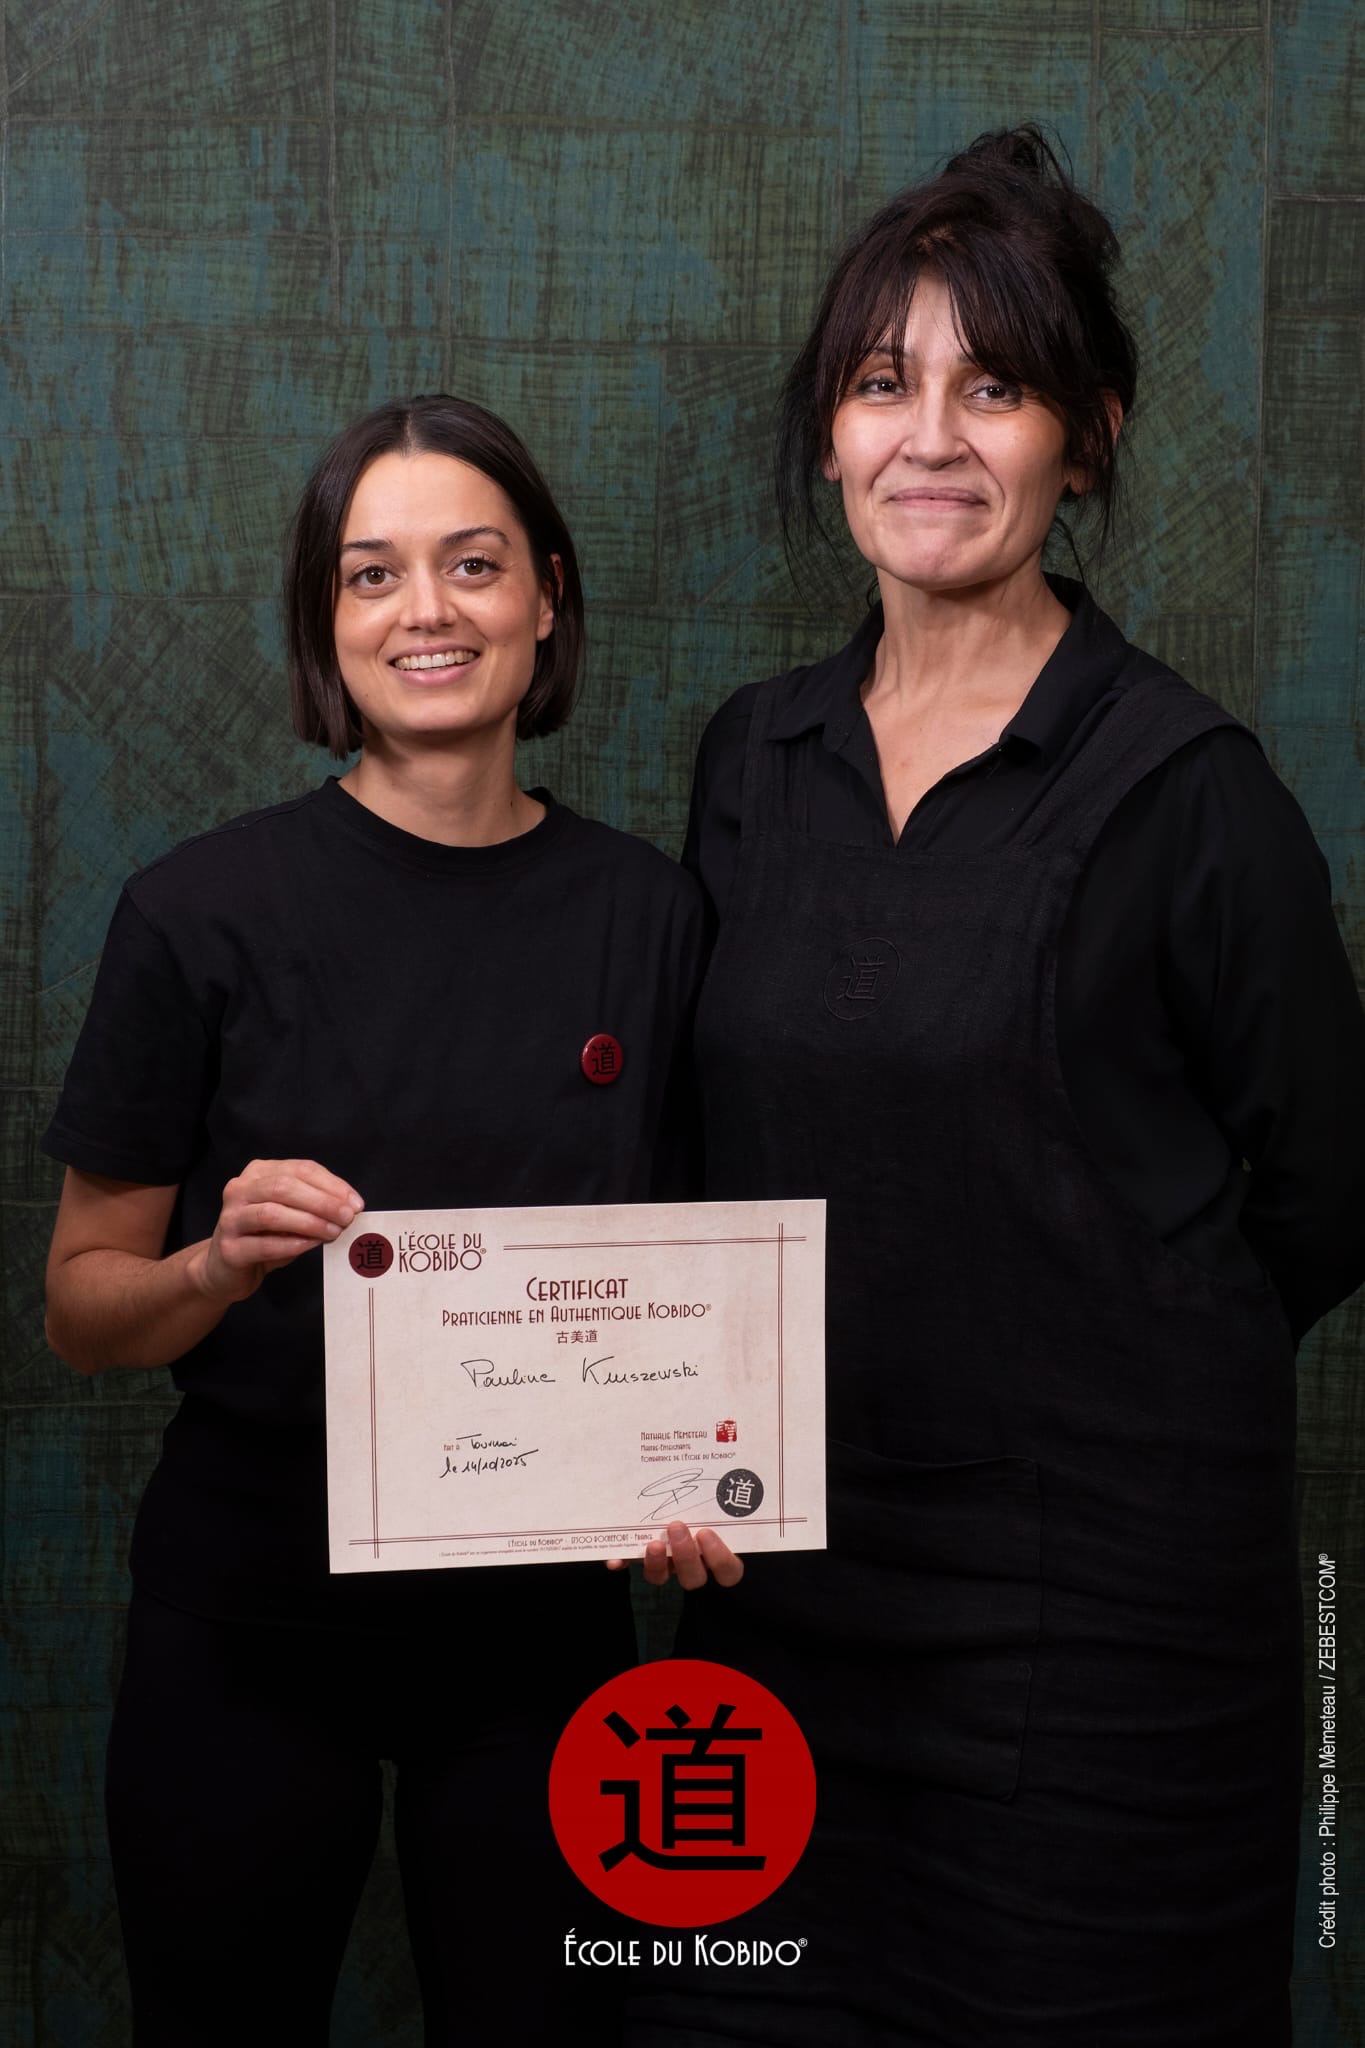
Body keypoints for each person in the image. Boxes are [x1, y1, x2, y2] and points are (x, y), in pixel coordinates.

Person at [627, 130, 1365, 2048]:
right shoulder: (751, 761)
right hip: (789, 1600)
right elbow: (718, 1159)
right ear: (829, 436)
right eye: (884, 384)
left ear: (1086, 440)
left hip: (1108, 1643)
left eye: (997, 387)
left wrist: (1102, 1366)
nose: (931, 438)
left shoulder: (1189, 791)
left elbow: (1324, 1192)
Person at [42, 394, 706, 2047]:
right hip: (246, 1629)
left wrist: (701, 1478)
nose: (427, 611)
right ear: (325, 621)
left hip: (543, 1643)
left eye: (472, 564)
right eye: (372, 573)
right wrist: (211, 1264)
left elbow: (702, 1287)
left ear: (544, 596)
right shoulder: (195, 913)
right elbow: (79, 1308)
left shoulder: (652, 916)